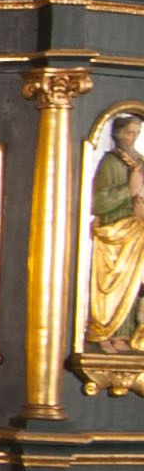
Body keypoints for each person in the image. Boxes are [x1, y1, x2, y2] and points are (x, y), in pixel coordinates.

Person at [87, 108, 144, 350]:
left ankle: (128, 333)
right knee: (114, 284)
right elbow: (97, 202)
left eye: (136, 133)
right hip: (115, 231)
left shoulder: (141, 162)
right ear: (117, 134)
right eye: (129, 132)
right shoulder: (110, 162)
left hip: (137, 229)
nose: (132, 137)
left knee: (133, 284)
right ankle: (107, 332)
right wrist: (128, 190)